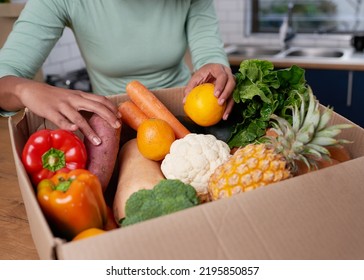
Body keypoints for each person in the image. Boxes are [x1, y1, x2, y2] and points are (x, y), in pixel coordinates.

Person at [0, 0, 235, 145]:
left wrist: (216, 70)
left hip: (186, 117)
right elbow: (5, 74)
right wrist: (24, 90)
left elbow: (209, 53)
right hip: (114, 125)